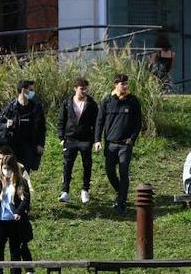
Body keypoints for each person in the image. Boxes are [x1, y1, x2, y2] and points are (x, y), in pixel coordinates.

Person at [95, 73, 142, 215]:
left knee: (123, 171)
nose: (125, 86)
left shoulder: (133, 101)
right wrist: (97, 140)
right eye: (122, 83)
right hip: (110, 144)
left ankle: (121, 202)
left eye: (126, 83)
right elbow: (99, 122)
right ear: (115, 85)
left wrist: (132, 139)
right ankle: (121, 191)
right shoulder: (107, 101)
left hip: (125, 145)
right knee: (110, 172)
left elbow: (138, 122)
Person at [56, 77, 97, 204]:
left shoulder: (91, 103)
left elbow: (97, 123)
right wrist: (61, 137)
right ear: (75, 88)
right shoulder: (67, 102)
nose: (84, 91)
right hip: (70, 139)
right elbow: (61, 120)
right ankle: (65, 191)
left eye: (86, 89)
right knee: (67, 165)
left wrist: (95, 139)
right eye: (81, 88)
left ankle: (85, 190)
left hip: (85, 139)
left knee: (87, 165)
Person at [0, 80, 47, 173]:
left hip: (28, 148)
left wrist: (40, 144)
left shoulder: (36, 108)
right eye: (31, 90)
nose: (33, 93)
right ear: (23, 90)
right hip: (13, 147)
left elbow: (42, 128)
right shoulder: (10, 108)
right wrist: (6, 125)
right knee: (11, 174)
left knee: (24, 174)